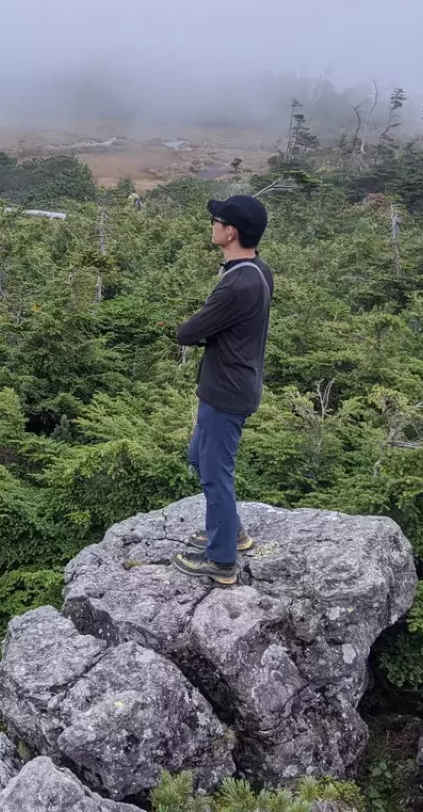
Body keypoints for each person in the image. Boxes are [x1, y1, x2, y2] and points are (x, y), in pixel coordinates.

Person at [172, 195, 273, 586]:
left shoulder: (236, 284)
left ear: (230, 231)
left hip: (225, 391)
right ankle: (232, 531)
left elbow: (187, 332)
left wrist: (201, 332)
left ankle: (222, 562)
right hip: (236, 383)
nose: (211, 225)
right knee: (199, 456)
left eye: (216, 220)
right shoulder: (258, 270)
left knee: (215, 473)